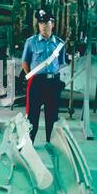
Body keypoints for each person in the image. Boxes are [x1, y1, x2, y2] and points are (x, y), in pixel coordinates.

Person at [22, 9, 66, 144]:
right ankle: (29, 143)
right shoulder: (31, 42)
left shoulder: (59, 43)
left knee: (52, 115)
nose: (43, 26)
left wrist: (52, 75)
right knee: (32, 115)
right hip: (37, 82)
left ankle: (50, 143)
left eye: (46, 23)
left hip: (53, 82)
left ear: (52, 24)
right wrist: (32, 77)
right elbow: (25, 62)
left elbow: (60, 64)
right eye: (41, 23)